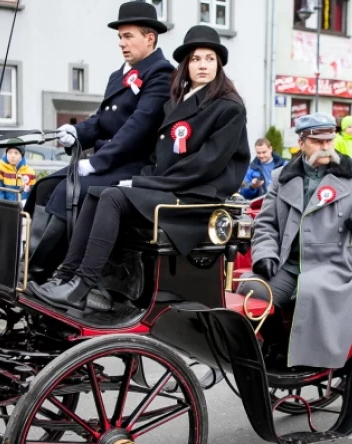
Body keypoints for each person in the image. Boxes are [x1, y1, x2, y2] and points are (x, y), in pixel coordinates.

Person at [29, 25, 250, 311]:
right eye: (195, 59)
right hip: (173, 188)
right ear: (186, 65)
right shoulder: (178, 101)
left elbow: (205, 166)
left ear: (219, 64)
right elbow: (161, 160)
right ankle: (66, 277)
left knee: (113, 197)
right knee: (99, 192)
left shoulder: (228, 107)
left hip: (197, 197)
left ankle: (81, 286)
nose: (203, 65)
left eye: (209, 58)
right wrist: (140, 178)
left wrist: (145, 184)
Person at [248, 113, 352, 369]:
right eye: (317, 141)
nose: (326, 146)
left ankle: (310, 361)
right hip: (288, 264)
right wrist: (265, 254)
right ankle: (278, 345)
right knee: (253, 291)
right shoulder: (281, 176)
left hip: (334, 264)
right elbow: (266, 223)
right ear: (302, 143)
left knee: (313, 290)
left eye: (330, 139)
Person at [27, 1, 176, 279]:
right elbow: (101, 119)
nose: (121, 43)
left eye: (128, 36)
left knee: (67, 192)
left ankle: (42, 272)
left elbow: (138, 127)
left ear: (150, 38)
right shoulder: (118, 75)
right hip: (109, 163)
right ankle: (28, 261)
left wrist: (96, 162)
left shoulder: (161, 74)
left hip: (132, 167)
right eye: (120, 36)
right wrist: (77, 133)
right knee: (45, 185)